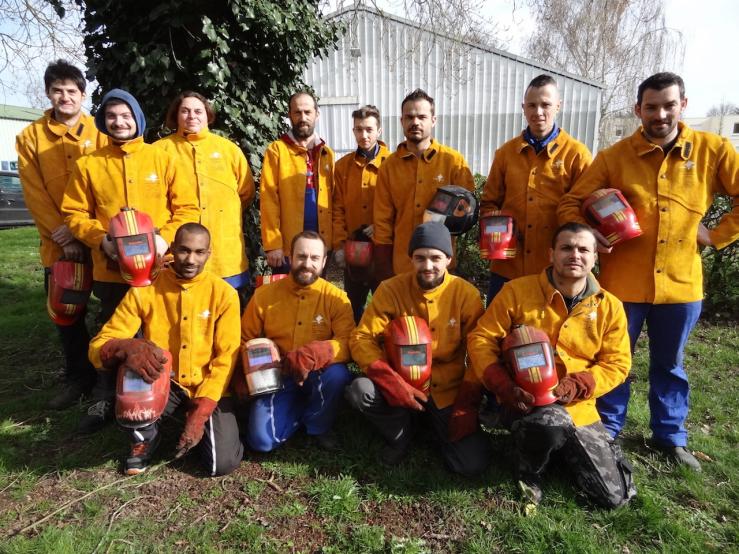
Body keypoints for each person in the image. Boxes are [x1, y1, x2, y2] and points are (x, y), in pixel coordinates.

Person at [558, 72, 739, 471]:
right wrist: (590, 234)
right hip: (622, 285)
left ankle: (670, 436)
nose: (660, 115)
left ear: (683, 105)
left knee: (670, 363)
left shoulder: (713, 150)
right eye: (651, 107)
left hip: (681, 285)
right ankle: (607, 430)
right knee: (613, 360)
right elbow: (571, 203)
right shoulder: (614, 157)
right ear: (638, 110)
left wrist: (716, 235)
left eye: (669, 105)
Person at [467, 223, 636, 508]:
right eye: (566, 248)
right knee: (551, 423)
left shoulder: (610, 307)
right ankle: (528, 467)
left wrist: (580, 384)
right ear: (551, 254)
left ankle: (561, 448)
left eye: (583, 249)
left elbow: (618, 363)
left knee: (612, 498)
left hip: (579, 406)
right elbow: (481, 339)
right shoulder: (517, 291)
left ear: (595, 257)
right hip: (523, 400)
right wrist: (501, 384)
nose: (575, 255)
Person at [62, 88, 199, 433]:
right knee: (112, 331)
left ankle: (161, 394)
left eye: (125, 115)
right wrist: (102, 240)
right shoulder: (89, 165)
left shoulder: (161, 158)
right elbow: (74, 213)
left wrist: (164, 238)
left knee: (159, 330)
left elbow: (187, 207)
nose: (119, 122)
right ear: (102, 121)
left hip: (159, 269)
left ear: (137, 118)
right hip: (111, 270)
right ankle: (105, 396)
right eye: (111, 116)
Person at [88, 223, 243, 476]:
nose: (190, 259)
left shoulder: (224, 294)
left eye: (199, 252)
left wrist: (202, 411)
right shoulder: (145, 289)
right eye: (184, 250)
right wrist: (123, 346)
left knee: (221, 464)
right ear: (172, 248)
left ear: (209, 254)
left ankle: (197, 421)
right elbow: (98, 346)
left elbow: (227, 356)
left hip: (205, 383)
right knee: (133, 368)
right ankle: (145, 438)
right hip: (161, 379)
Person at [347, 222, 490, 475]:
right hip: (399, 382)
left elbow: (481, 349)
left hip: (446, 389)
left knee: (470, 464)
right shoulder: (391, 289)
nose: (428, 265)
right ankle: (399, 433)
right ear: (411, 258)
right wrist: (389, 379)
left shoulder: (466, 295)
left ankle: (430, 424)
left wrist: (467, 402)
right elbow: (362, 338)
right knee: (361, 390)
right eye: (420, 258)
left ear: (449, 259)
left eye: (436, 258)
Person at [16, 60, 108, 409]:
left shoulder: (101, 131)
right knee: (66, 313)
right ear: (48, 93)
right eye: (58, 90)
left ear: (83, 95)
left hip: (100, 240)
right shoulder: (30, 138)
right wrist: (63, 235)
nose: (65, 97)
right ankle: (77, 377)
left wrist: (90, 233)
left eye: (72, 91)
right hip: (58, 244)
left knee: (112, 310)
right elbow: (34, 192)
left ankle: (108, 378)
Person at [240, 231, 354, 452]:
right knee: (262, 442)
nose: (307, 264)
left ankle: (318, 424)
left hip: (318, 372)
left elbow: (348, 342)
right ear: (290, 257)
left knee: (338, 375)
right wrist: (242, 377)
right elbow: (244, 338)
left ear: (324, 262)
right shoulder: (264, 295)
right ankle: (299, 409)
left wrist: (316, 353)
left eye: (314, 258)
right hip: (277, 375)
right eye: (301, 256)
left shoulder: (337, 299)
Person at [481, 74, 592, 302]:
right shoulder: (505, 154)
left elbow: (585, 208)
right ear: (523, 108)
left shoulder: (577, 155)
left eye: (545, 105)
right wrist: (498, 229)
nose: (538, 112)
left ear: (558, 106)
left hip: (555, 269)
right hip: (507, 267)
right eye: (532, 105)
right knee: (498, 322)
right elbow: (489, 202)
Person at [155, 91, 255, 299]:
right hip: (177, 253)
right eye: (185, 111)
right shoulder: (159, 151)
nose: (192, 116)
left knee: (226, 308)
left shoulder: (229, 150)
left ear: (207, 115)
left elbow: (246, 194)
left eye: (198, 111)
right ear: (176, 115)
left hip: (225, 253)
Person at [372, 89, 475, 280]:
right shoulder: (389, 167)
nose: (415, 122)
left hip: (441, 265)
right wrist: (384, 264)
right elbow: (382, 219)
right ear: (401, 121)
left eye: (422, 117)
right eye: (409, 117)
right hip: (402, 266)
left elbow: (468, 212)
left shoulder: (453, 162)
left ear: (433, 120)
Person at [260, 91, 334, 274]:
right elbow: (268, 199)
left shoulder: (326, 153)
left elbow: (335, 199)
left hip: (320, 242)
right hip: (287, 245)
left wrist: (334, 243)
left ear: (317, 113)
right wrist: (273, 244)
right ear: (289, 115)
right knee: (287, 290)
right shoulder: (276, 150)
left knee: (316, 290)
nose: (303, 118)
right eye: (297, 112)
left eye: (307, 112)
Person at [331, 105, 390, 322]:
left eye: (369, 129)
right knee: (352, 305)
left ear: (379, 130)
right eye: (358, 129)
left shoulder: (393, 164)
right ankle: (352, 339)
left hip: (384, 248)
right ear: (353, 130)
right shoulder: (342, 167)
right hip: (353, 249)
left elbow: (400, 204)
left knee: (385, 307)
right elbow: (337, 208)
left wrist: (382, 225)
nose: (364, 135)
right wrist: (339, 245)